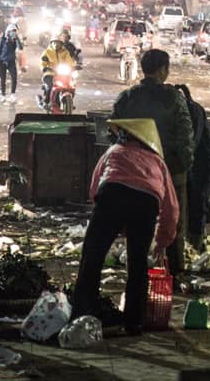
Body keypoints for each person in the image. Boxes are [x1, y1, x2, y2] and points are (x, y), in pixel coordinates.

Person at [71, 118, 178, 336]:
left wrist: (109, 222)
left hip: (112, 197)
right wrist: (163, 240)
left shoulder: (114, 151)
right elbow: (171, 207)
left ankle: (82, 313)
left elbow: (94, 188)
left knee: (92, 257)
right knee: (138, 265)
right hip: (146, 205)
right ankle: (134, 323)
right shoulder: (159, 163)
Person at [112, 49, 194, 276]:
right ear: (163, 70)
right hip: (170, 170)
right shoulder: (174, 97)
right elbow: (185, 135)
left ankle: (137, 271)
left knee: (137, 225)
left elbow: (116, 133)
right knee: (174, 223)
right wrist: (184, 167)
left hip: (134, 174)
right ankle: (175, 272)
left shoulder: (127, 97)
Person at [176, 84, 210, 252]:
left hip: (205, 165)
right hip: (192, 164)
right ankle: (190, 242)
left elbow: (191, 142)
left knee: (197, 202)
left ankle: (196, 246)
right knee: (187, 203)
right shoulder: (182, 110)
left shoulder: (193, 110)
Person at [39, 38, 75, 108]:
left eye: (58, 43)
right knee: (51, 86)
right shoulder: (47, 52)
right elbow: (42, 62)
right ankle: (47, 101)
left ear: (61, 44)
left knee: (71, 86)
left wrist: (73, 66)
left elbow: (70, 61)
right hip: (50, 73)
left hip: (63, 74)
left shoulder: (65, 52)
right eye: (55, 42)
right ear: (51, 43)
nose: (56, 44)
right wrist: (44, 68)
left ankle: (69, 101)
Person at [0, 24, 24, 103]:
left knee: (14, 77)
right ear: (8, 31)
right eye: (12, 31)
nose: (13, 33)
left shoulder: (14, 40)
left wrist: (17, 38)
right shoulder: (2, 39)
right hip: (2, 62)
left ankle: (12, 94)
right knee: (3, 79)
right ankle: (3, 95)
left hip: (11, 61)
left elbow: (20, 48)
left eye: (15, 31)